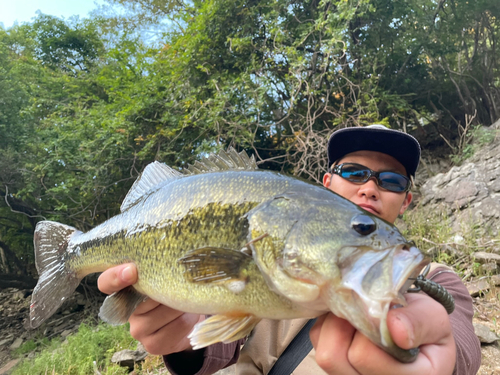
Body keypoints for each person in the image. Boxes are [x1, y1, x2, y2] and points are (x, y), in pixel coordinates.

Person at [98, 125, 481, 375]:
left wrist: (440, 359)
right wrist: (185, 343)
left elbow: (462, 342)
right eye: (353, 172)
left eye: (391, 180)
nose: (369, 187)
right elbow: (218, 348)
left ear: (407, 200)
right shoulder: (272, 259)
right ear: (327, 183)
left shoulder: (436, 281)